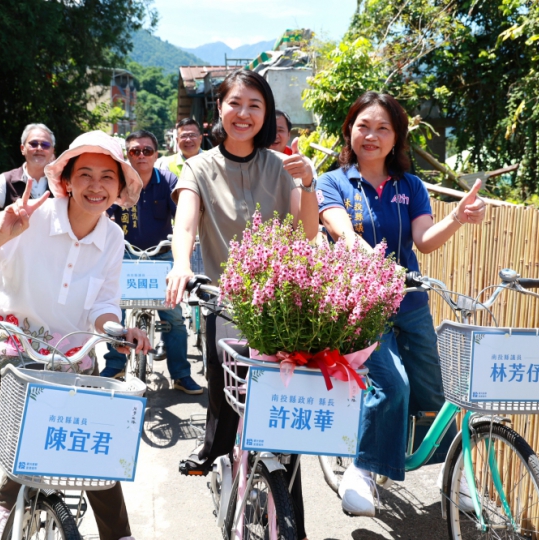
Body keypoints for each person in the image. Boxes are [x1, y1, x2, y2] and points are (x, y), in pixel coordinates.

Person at [0, 130, 150, 540]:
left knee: (94, 432)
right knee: (37, 417)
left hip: (71, 355)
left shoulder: (113, 237)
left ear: (119, 188)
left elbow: (103, 305)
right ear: (67, 181)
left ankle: (119, 535)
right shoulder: (30, 217)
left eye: (107, 177)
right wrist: (1, 233)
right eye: (85, 174)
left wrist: (117, 330)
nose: (96, 185)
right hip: (10, 345)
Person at [316, 91, 487, 517]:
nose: (371, 135)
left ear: (397, 137)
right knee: (392, 385)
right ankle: (361, 470)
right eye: (363, 126)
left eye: (382, 128)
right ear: (349, 131)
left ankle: (453, 476)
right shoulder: (332, 182)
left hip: (410, 303)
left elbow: (423, 241)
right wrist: (372, 260)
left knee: (434, 391)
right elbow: (342, 232)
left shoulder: (410, 186)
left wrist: (457, 217)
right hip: (359, 305)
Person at [164, 70, 319, 540]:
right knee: (225, 381)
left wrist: (309, 183)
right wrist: (180, 264)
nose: (244, 113)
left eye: (255, 105)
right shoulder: (198, 167)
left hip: (282, 304)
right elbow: (185, 224)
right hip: (225, 298)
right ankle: (216, 450)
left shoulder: (284, 165)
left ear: (266, 113)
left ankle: (291, 523)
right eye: (235, 103)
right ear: (220, 109)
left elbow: (307, 233)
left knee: (285, 413)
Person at [101, 129, 203, 395]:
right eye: (135, 151)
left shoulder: (168, 180)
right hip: (125, 256)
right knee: (115, 312)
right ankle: (114, 365)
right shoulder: (119, 182)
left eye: (147, 150)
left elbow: (183, 216)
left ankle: (181, 374)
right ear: (128, 155)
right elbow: (105, 213)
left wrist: (186, 241)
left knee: (174, 317)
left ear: (156, 154)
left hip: (162, 256)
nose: (141, 155)